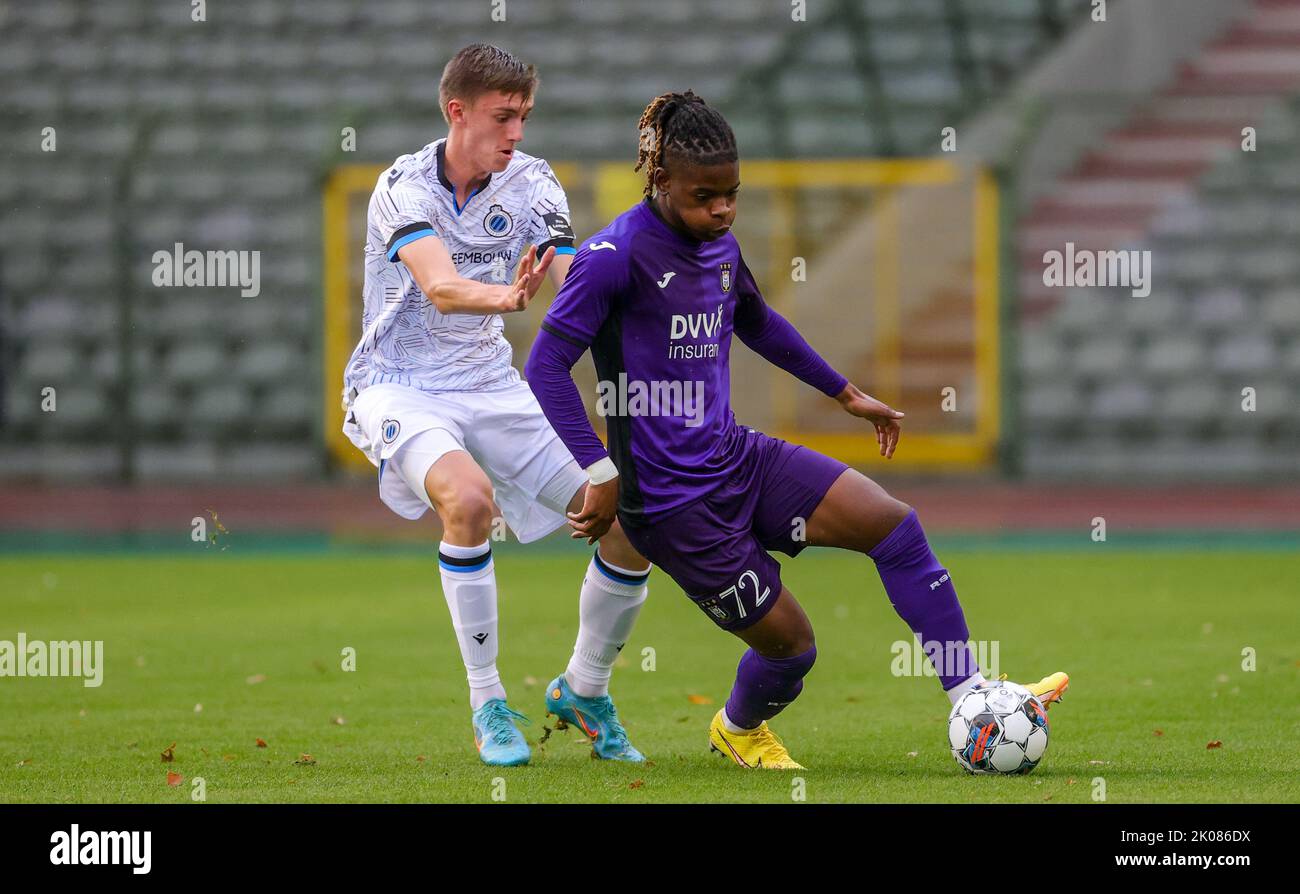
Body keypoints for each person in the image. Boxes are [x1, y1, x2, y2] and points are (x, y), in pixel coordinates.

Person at [525, 90, 1069, 769]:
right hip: (672, 507)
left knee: (894, 526)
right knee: (793, 651)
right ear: (660, 179)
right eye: (705, 196)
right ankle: (739, 728)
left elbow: (755, 321)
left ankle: (968, 693)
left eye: (733, 194)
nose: (722, 210)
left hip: (735, 459)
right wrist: (599, 472)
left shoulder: (719, 247)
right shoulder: (614, 255)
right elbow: (544, 366)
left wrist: (846, 393)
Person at [342, 44, 650, 767]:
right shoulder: (402, 187)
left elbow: (573, 282)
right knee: (469, 502)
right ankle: (488, 704)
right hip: (399, 384)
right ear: (458, 112)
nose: (516, 132)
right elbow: (443, 288)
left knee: (630, 516)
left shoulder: (534, 182)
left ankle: (584, 688)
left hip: (492, 384)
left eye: (524, 116)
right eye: (502, 116)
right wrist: (508, 297)